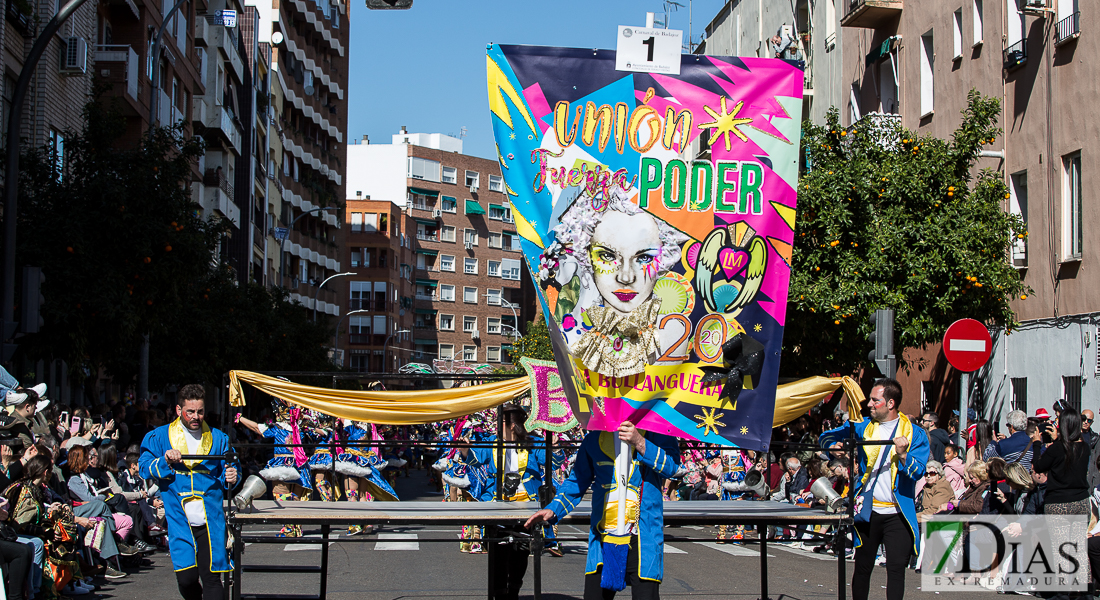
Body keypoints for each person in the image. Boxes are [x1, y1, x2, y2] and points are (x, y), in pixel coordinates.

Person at [526, 421, 680, 600]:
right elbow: (577, 481)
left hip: (643, 539)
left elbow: (673, 468)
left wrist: (640, 442)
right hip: (602, 539)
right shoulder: (594, 438)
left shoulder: (658, 432)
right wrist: (553, 509)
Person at [819, 378, 929, 600]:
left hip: (898, 514)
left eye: (874, 400)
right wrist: (833, 447)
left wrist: (903, 455)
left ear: (890, 403)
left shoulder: (915, 434)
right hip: (868, 511)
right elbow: (827, 436)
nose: (868, 404)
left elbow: (918, 472)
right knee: (862, 567)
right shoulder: (862, 427)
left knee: (896, 570)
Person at [140, 384, 239, 600]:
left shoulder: (219, 438)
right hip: (179, 520)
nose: (196, 416)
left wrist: (231, 475)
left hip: (210, 521)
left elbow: (232, 468)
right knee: (186, 579)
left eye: (200, 411)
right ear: (178, 410)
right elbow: (144, 467)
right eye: (191, 411)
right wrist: (165, 461)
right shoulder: (159, 437)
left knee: (212, 577)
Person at [462, 405, 561, 599]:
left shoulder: (533, 443)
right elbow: (474, 459)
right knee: (498, 553)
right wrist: (465, 450)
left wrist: (555, 447)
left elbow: (553, 461)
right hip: (497, 504)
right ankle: (499, 593)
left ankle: (514, 591)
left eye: (501, 422)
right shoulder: (492, 442)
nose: (496, 426)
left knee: (520, 552)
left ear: (512, 425)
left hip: (526, 505)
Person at [1082, 409, 1100, 489]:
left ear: (1092, 422)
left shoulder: (1095, 438)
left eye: (1089, 420)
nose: (1085, 422)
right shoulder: (1072, 436)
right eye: (1083, 418)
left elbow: (1096, 461)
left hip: (1088, 477)